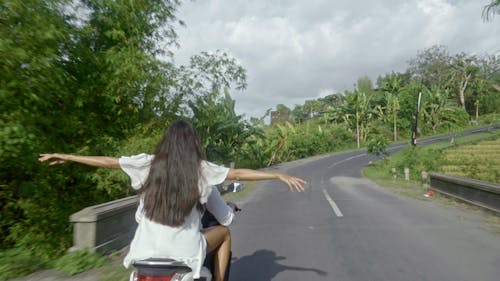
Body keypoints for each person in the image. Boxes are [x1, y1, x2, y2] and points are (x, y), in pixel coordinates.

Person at [39, 120, 305, 281]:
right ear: (193, 144)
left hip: (142, 256)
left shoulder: (148, 165)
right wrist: (277, 175)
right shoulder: (199, 169)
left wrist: (68, 156)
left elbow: (109, 162)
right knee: (223, 233)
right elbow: (236, 173)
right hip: (183, 254)